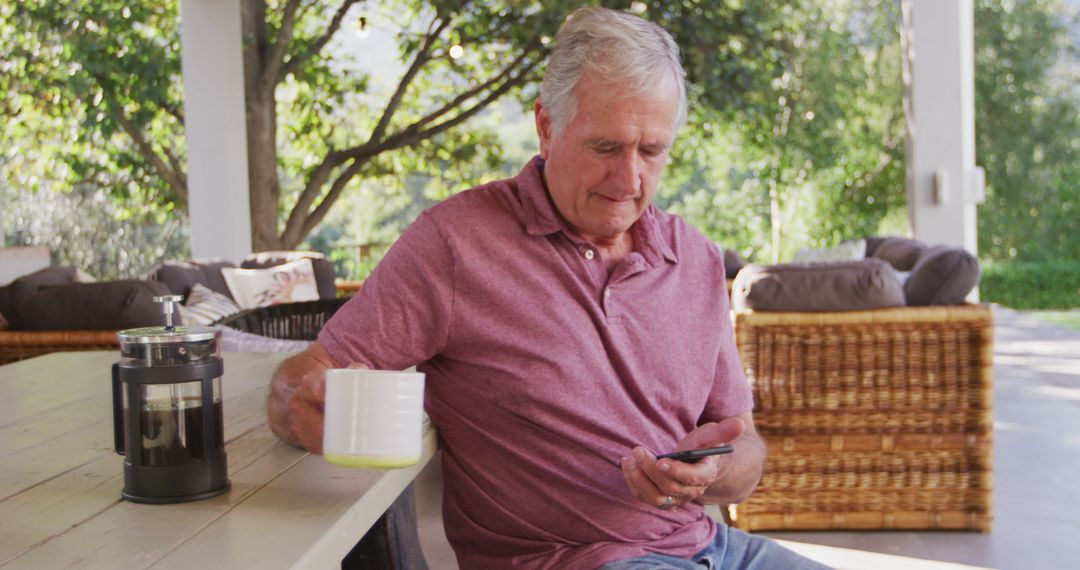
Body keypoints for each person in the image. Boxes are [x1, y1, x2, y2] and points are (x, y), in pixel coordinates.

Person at [268, 7, 828, 570]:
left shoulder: (697, 259)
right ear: (546, 127)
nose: (630, 180)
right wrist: (305, 406)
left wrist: (712, 474)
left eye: (652, 150)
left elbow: (747, 450)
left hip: (712, 546)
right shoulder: (455, 245)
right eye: (605, 147)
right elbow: (303, 378)